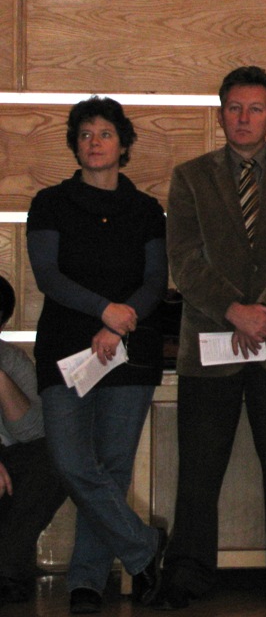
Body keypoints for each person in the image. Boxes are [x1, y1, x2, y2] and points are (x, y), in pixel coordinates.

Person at [158, 66, 266, 609]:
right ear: (220, 114)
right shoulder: (190, 177)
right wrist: (234, 311)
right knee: (198, 470)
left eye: (255, 109)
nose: (243, 118)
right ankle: (187, 572)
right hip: (210, 343)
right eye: (234, 107)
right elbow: (184, 260)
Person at [27, 97, 167, 613]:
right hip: (66, 348)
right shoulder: (50, 203)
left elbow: (155, 281)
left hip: (131, 351)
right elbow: (48, 276)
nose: (94, 142)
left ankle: (86, 579)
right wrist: (104, 311)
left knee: (112, 468)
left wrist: (119, 321)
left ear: (124, 144)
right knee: (70, 461)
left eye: (105, 133)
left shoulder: (146, 210)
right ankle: (144, 546)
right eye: (85, 134)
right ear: (75, 144)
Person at [0, 275, 67, 605]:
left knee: (56, 457)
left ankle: (9, 569)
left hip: (11, 466)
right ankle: (10, 569)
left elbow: (32, 432)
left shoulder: (12, 360)